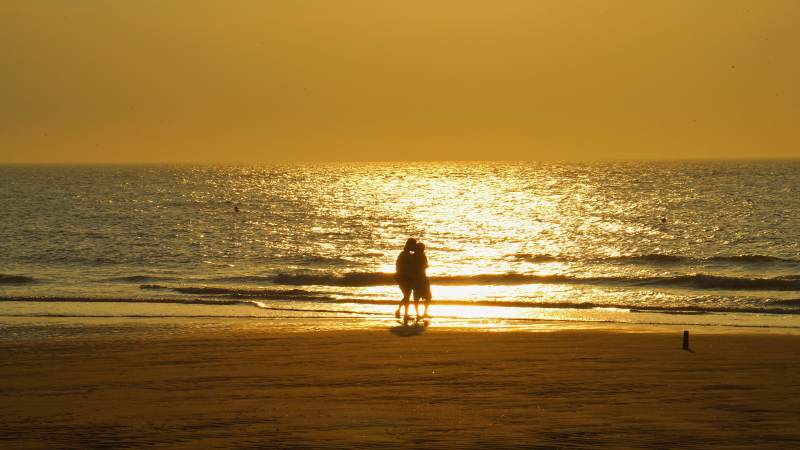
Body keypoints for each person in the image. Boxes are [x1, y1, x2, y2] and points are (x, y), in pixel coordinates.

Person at [394, 238, 417, 319]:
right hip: (403, 278)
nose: (414, 247)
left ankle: (400, 311)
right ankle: (405, 314)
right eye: (414, 245)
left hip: (404, 277)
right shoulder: (405, 255)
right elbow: (399, 266)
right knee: (407, 295)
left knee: (406, 295)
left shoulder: (405, 254)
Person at [413, 242, 432, 319]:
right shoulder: (422, 256)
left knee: (417, 297)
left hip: (416, 278)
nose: (423, 250)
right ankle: (424, 313)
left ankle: (418, 313)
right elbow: (424, 266)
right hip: (422, 278)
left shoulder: (414, 256)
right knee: (427, 296)